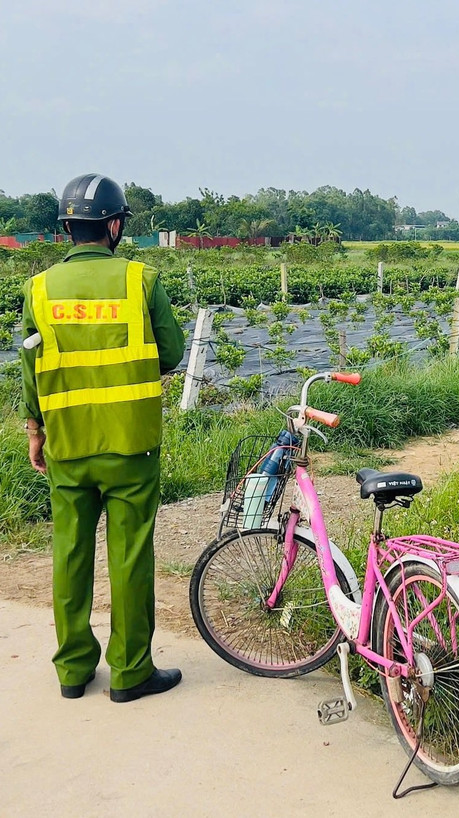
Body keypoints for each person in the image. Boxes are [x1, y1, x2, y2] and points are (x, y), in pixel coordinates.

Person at [19, 173, 186, 702]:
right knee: (130, 557)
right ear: (114, 225)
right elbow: (173, 352)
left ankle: (72, 670)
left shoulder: (39, 289)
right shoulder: (142, 280)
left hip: (68, 444)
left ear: (68, 227)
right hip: (130, 445)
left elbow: (30, 366)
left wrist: (34, 429)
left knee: (69, 555)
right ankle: (131, 672)